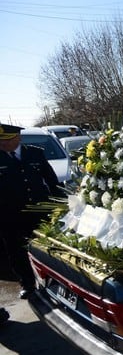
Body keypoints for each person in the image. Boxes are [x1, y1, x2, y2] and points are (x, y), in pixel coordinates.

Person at [0, 123, 63, 299]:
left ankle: (53, 282)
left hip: (39, 211)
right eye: (0, 141)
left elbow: (52, 181)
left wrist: (61, 204)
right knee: (16, 252)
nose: (3, 144)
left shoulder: (35, 153)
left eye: (7, 140)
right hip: (10, 216)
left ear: (18, 138)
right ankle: (27, 284)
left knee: (47, 249)